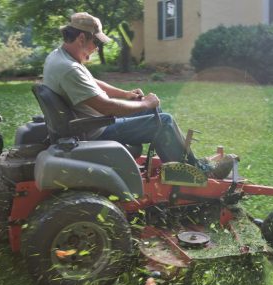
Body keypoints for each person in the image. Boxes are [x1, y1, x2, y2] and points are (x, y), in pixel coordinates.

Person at [43, 12, 236, 179]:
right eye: (96, 42)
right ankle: (196, 173)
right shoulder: (69, 69)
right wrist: (145, 104)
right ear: (81, 39)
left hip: (88, 123)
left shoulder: (60, 57)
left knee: (157, 112)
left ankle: (186, 163)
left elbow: (92, 82)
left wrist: (126, 94)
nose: (97, 48)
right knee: (164, 121)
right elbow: (106, 107)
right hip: (95, 131)